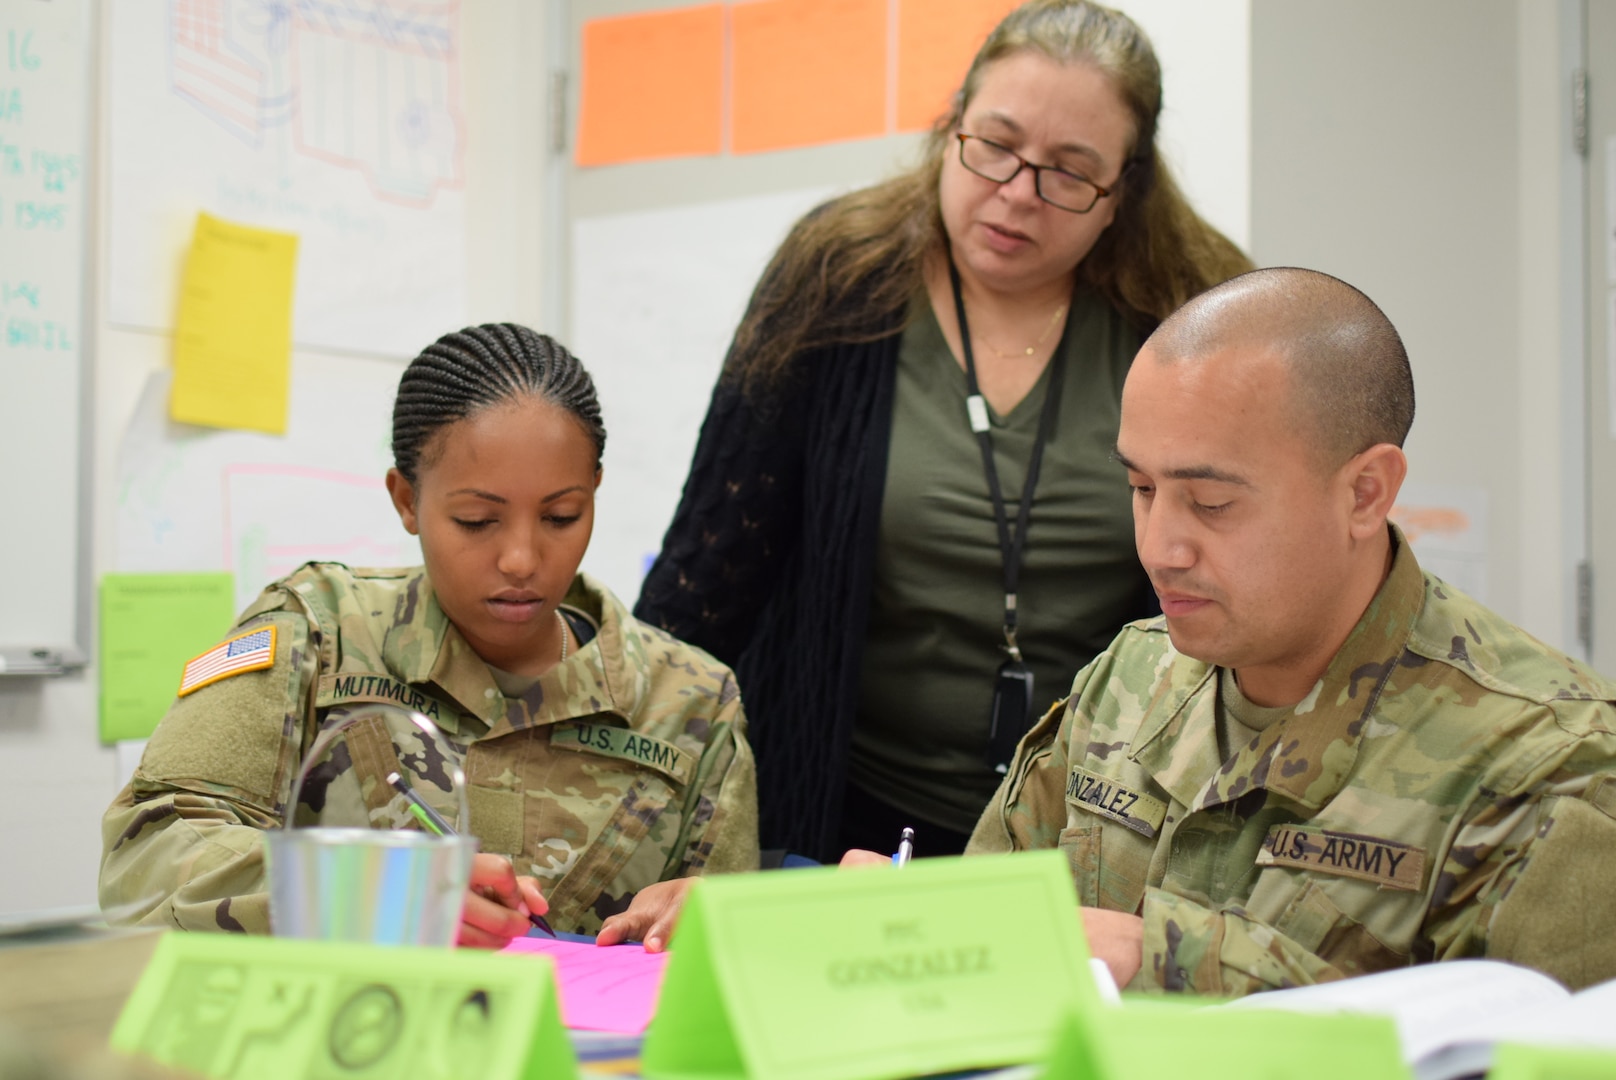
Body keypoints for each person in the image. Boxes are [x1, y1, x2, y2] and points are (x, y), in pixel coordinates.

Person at [635, 0, 1253, 864]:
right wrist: (627, 803)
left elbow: (1254, 595)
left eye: (1069, 173)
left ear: (1124, 193)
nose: (1016, 195)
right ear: (949, 126)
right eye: (993, 145)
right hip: (831, 815)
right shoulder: (838, 270)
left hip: (1089, 836)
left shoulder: (1197, 309)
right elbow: (706, 580)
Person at [962, 267, 1616, 995]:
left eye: (1210, 502)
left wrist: (1175, 963)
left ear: (1365, 493)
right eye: (1141, 489)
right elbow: (985, 957)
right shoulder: (1130, 675)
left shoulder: (1550, 767)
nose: (1158, 548)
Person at [100, 325, 758, 949]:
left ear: (594, 493)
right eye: (476, 520)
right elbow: (144, 859)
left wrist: (718, 915)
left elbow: (735, 964)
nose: (522, 558)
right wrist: (360, 893)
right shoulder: (317, 631)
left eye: (562, 515)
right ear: (406, 500)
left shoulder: (691, 703)